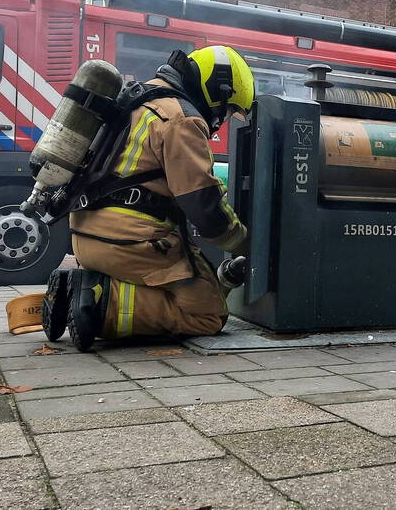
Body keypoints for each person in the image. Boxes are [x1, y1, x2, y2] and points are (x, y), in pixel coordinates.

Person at [45, 45, 254, 351]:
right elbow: (204, 207)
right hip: (130, 243)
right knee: (208, 314)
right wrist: (246, 243)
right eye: (225, 109)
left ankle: (81, 291)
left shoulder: (138, 97)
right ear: (215, 89)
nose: (221, 120)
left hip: (86, 234)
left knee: (198, 284)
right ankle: (100, 304)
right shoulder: (182, 119)